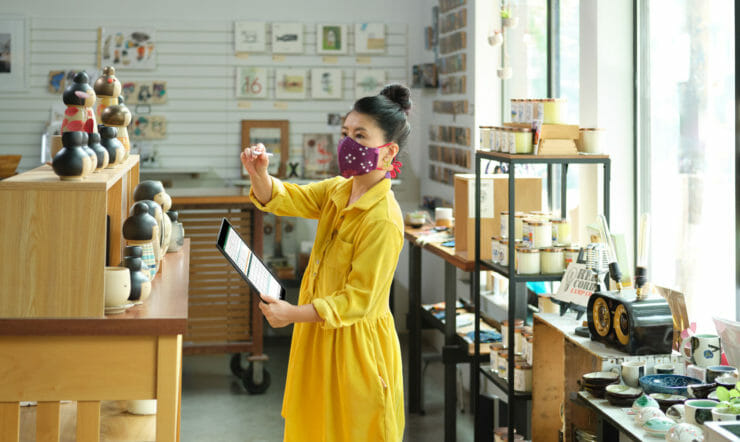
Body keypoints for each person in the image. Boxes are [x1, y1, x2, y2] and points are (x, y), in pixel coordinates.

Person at [240, 84, 411, 442]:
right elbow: (289, 197)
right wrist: (259, 174)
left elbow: (358, 301)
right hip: (318, 336)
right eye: (346, 133)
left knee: (352, 430)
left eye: (360, 135)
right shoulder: (339, 190)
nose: (348, 144)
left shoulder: (383, 219)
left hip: (356, 349)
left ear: (389, 151)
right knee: (312, 428)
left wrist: (291, 314)